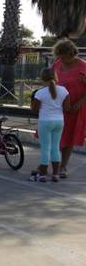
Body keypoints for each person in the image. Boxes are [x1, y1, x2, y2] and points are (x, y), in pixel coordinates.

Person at [52, 39, 86, 178]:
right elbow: (51, 82)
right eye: (60, 56)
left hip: (75, 107)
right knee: (55, 136)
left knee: (69, 137)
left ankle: (63, 166)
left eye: (64, 56)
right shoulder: (57, 64)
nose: (62, 60)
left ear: (72, 53)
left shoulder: (83, 66)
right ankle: (52, 162)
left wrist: (79, 103)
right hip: (58, 106)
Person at [30, 68, 70, 182]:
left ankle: (42, 175)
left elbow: (34, 109)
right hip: (59, 121)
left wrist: (32, 102)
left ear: (42, 79)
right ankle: (56, 174)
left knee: (45, 148)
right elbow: (67, 108)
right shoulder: (64, 90)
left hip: (45, 122)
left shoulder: (40, 92)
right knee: (55, 147)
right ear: (56, 77)